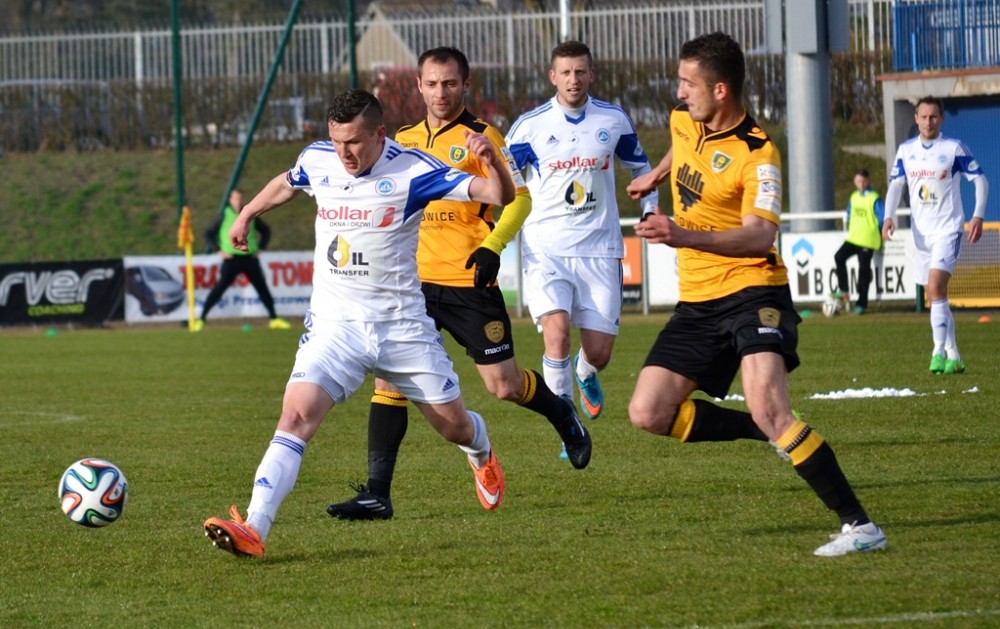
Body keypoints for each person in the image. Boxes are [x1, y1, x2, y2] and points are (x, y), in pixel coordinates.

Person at [202, 89, 515, 558]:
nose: (344, 153)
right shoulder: (320, 159)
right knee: (295, 417)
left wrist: (493, 164)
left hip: (402, 329)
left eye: (354, 142)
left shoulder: (413, 170)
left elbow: (498, 196)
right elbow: (288, 182)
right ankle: (255, 527)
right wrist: (247, 213)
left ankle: (480, 449)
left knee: (454, 427)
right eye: (337, 141)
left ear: (380, 134)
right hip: (336, 328)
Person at [626, 32, 886, 557]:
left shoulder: (759, 153)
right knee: (648, 412)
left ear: (720, 90)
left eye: (688, 83)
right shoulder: (684, 120)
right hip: (698, 300)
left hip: (754, 291)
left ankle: (860, 526)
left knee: (771, 405)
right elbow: (682, 147)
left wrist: (681, 234)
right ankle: (763, 432)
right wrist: (655, 174)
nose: (679, 93)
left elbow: (759, 235)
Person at [326, 48, 592, 521]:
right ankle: (377, 493)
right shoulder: (402, 139)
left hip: (469, 281)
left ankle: (561, 413)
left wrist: (493, 246)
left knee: (504, 386)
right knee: (389, 382)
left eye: (449, 83)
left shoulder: (484, 136)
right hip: (410, 285)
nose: (440, 93)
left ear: (465, 85)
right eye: (431, 84)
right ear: (419, 86)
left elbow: (519, 199)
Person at [505, 40, 659, 423]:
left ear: (591, 74)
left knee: (600, 353)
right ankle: (567, 425)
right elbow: (502, 180)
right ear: (552, 77)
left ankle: (585, 370)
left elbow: (641, 168)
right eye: (565, 72)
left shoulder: (613, 119)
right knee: (556, 335)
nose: (573, 79)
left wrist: (650, 209)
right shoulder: (529, 127)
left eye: (579, 72)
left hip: (600, 249)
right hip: (546, 250)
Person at [883, 96, 989, 375]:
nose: (928, 122)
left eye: (933, 117)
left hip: (948, 230)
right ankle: (954, 355)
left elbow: (981, 180)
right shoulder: (906, 151)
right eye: (923, 117)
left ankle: (937, 352)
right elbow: (895, 186)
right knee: (935, 295)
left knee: (935, 288)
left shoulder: (953, 148)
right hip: (921, 235)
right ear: (916, 119)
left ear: (941, 119)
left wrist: (977, 215)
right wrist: (888, 216)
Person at [195, 188, 291, 331]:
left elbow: (265, 231)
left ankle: (274, 319)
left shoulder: (249, 214)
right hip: (231, 259)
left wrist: (261, 248)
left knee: (262, 288)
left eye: (240, 198)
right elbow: (208, 233)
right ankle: (201, 319)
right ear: (230, 200)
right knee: (219, 289)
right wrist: (218, 250)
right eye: (235, 199)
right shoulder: (224, 215)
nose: (238, 201)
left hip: (249, 258)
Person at [832, 169, 884, 315]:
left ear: (868, 181)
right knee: (839, 257)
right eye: (858, 181)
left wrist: (879, 231)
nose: (861, 184)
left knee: (863, 272)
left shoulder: (874, 198)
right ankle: (844, 290)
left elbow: (882, 217)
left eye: (863, 181)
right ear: (855, 182)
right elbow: (849, 213)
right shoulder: (854, 197)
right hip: (854, 238)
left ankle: (862, 304)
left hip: (868, 239)